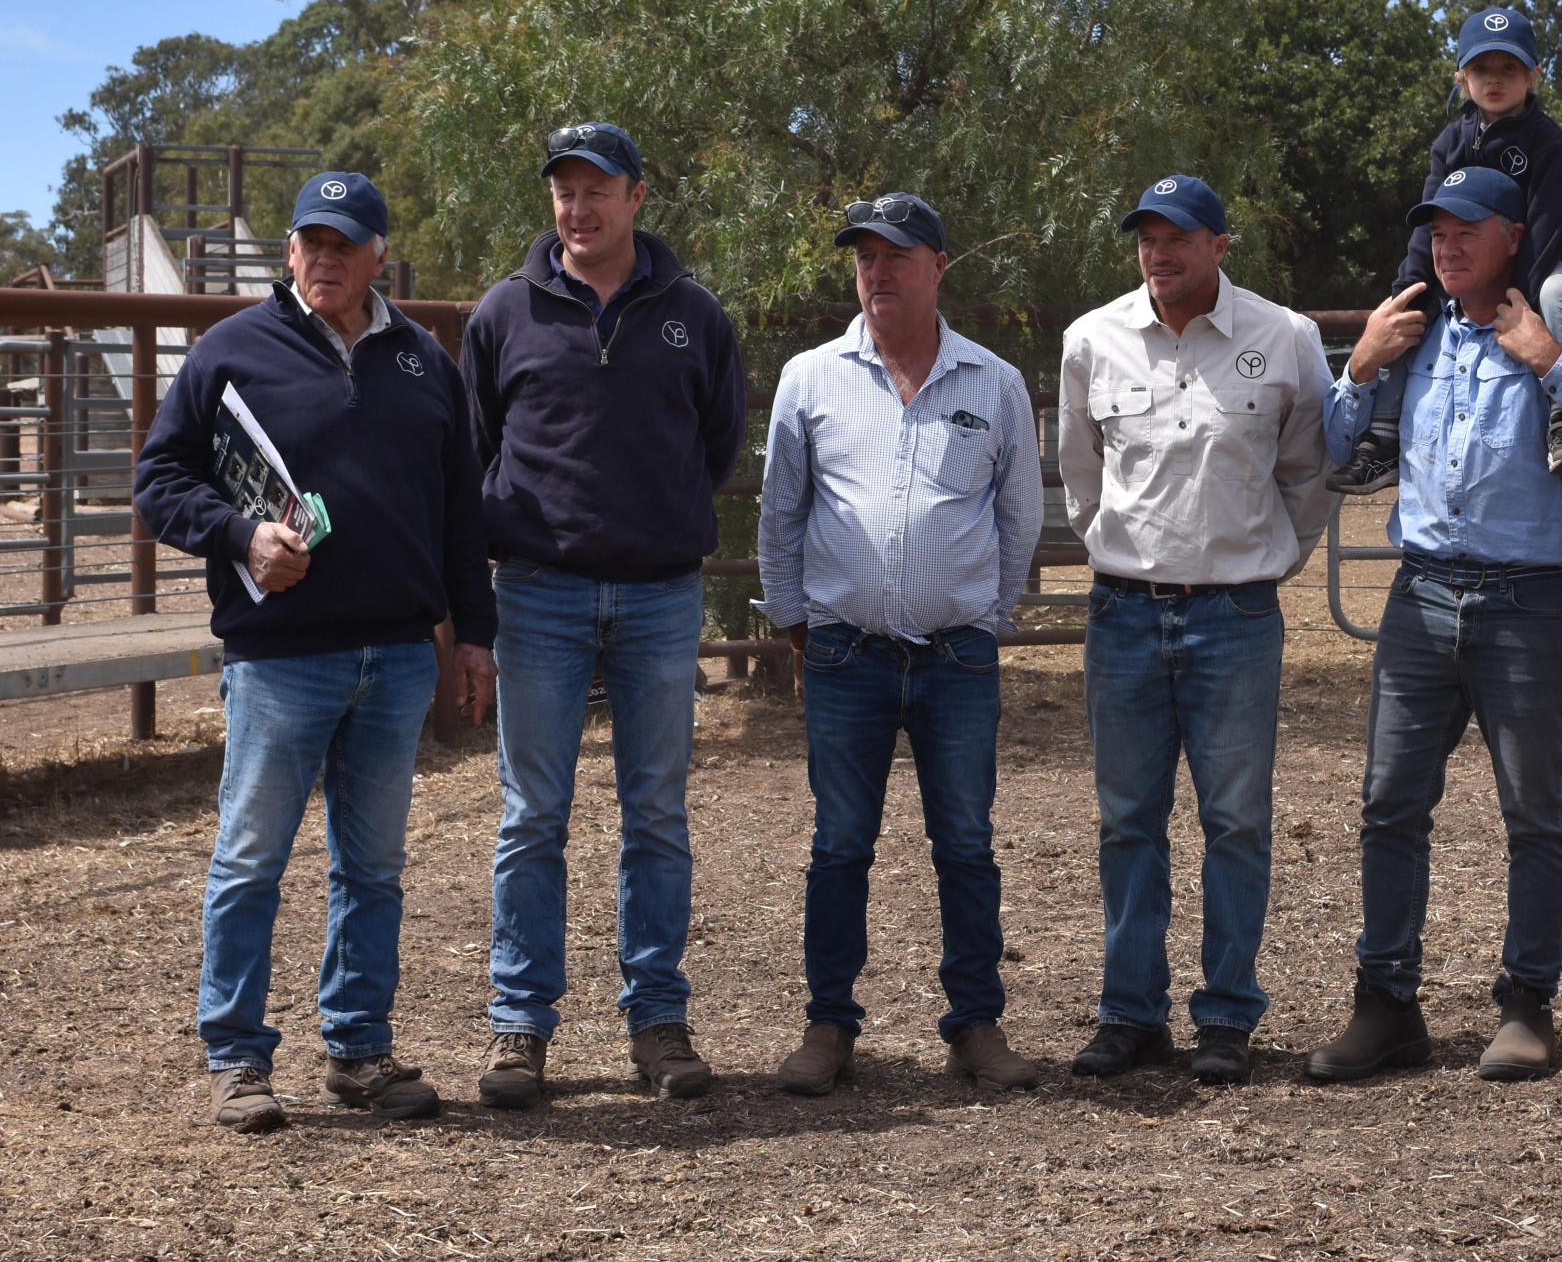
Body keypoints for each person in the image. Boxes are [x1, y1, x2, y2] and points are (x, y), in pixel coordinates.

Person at [135, 171, 497, 1131]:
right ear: (289, 251)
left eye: (346, 242)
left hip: (396, 657)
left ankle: (358, 1047)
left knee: (372, 866)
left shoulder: (423, 361)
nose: (326, 257)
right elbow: (157, 479)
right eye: (311, 241)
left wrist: (476, 636)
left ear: (380, 252)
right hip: (280, 657)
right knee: (252, 858)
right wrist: (240, 534)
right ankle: (237, 1055)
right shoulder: (229, 353)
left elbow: (461, 512)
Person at [1308, 166, 1562, 1083]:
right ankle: (1386, 1004)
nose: (1446, 244)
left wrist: (1549, 358)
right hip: (1421, 594)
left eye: (1466, 229)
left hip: (1529, 601)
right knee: (1389, 804)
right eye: (1437, 230)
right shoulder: (1411, 337)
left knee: (1534, 812)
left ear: (1511, 235)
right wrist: (1360, 366)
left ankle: (1528, 1004)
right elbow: (1340, 455)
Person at [463, 122, 747, 1108]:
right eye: (563, 191)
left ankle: (656, 1019)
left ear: (637, 196)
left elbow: (713, 445)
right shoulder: (503, 313)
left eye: (597, 190)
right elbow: (478, 448)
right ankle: (518, 1027)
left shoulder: (694, 316)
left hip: (661, 596)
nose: (578, 209)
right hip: (535, 591)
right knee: (531, 815)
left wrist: (650, 521)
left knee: (655, 815)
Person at [757, 192, 1045, 1096]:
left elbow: (1019, 516)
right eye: (864, 257)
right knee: (840, 844)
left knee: (965, 840)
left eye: (896, 255)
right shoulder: (810, 377)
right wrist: (805, 629)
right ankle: (829, 1022)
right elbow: (781, 515)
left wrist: (983, 615)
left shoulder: (992, 382)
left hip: (958, 655)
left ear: (938, 267)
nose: (876, 272)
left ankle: (975, 1021)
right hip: (847, 653)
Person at [1059, 175, 1334, 1085]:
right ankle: (1130, 1013)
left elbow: (1309, 473)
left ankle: (1225, 1015)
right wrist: (1122, 554)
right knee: (1128, 822)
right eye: (1146, 236)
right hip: (1124, 610)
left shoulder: (1285, 338)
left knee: (1237, 823)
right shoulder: (1091, 341)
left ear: (1221, 244)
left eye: (1179, 236)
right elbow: (1082, 477)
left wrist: (1265, 563)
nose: (1159, 252)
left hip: (1237, 616)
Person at [1329, 6, 1562, 495]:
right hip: (1471, 264)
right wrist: (1409, 286)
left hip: (1540, 261)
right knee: (1409, 309)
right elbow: (1429, 220)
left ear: (1535, 75)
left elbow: (1545, 223)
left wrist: (1520, 294)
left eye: (1509, 68)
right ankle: (1384, 435)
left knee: (1559, 292)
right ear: (1461, 76)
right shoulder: (1451, 139)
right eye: (1481, 69)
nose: (1494, 79)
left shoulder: (1547, 141)